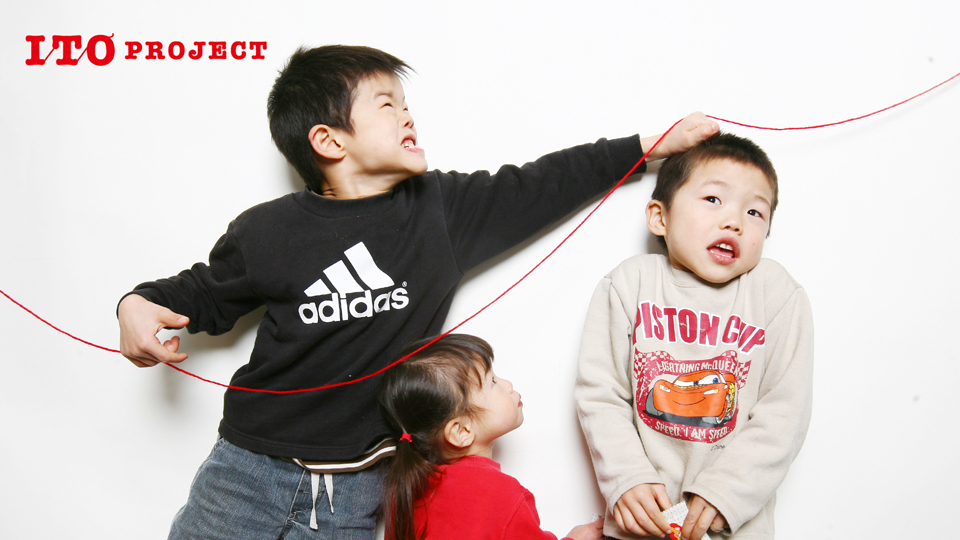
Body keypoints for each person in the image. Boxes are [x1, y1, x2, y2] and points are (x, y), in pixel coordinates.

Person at [116, 44, 718, 539]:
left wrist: (647, 148)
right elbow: (200, 293)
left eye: (406, 105)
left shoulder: (439, 210)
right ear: (330, 141)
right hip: (246, 470)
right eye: (387, 105)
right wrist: (135, 305)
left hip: (358, 491)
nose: (408, 116)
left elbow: (539, 184)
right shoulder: (267, 230)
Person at [575, 133, 813, 540]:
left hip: (732, 527)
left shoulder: (776, 293)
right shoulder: (629, 284)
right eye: (713, 199)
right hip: (642, 522)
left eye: (755, 212)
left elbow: (785, 414)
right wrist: (626, 477)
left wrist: (726, 493)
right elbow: (600, 393)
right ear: (660, 218)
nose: (734, 221)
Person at [379, 333, 604, 540]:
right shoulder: (500, 494)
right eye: (493, 382)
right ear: (461, 431)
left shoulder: (405, 495)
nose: (508, 385)